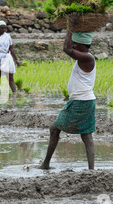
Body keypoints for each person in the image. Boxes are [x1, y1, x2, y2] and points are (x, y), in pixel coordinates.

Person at [40, 15, 96, 170]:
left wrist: (71, 26)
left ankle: (46, 164)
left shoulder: (86, 58)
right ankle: (91, 170)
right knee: (86, 135)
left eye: (77, 44)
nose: (74, 46)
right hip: (87, 101)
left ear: (83, 46)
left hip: (80, 102)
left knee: (54, 129)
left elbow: (66, 49)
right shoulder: (86, 57)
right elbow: (70, 48)